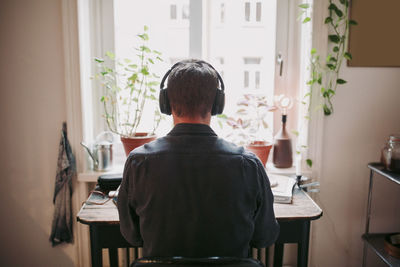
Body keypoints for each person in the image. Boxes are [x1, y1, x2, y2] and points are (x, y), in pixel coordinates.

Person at [117, 59, 279, 258]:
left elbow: (132, 236)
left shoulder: (138, 163)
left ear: (166, 102)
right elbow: (264, 237)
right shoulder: (249, 164)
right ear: (217, 103)